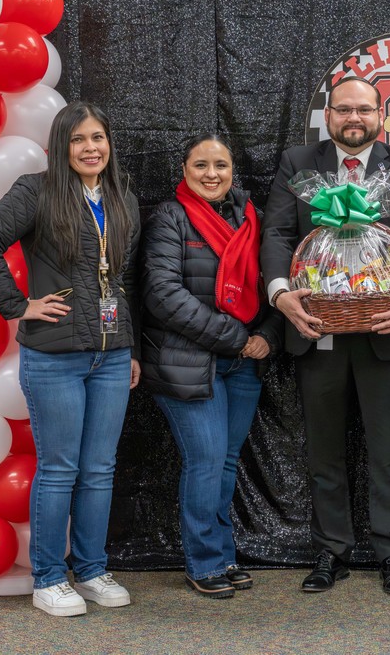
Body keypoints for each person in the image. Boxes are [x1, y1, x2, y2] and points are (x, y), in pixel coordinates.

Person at [260, 76, 390, 595]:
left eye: (364, 109)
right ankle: (330, 552)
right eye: (344, 110)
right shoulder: (299, 164)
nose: (354, 118)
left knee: (388, 451)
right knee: (323, 451)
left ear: (381, 116)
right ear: (328, 114)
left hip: (389, 329)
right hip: (317, 327)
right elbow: (277, 233)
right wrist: (280, 293)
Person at [0, 102, 141, 617]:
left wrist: (129, 345)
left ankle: (90, 570)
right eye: (79, 139)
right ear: (62, 146)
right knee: (60, 469)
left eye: (98, 138)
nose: (91, 148)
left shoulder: (122, 196)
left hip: (111, 355)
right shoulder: (35, 191)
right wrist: (19, 307)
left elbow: (124, 279)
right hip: (55, 357)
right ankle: (47, 577)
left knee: (100, 469)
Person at [140, 134, 282, 599]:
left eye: (220, 165)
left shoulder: (250, 216)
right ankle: (202, 563)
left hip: (242, 364)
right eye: (201, 165)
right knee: (204, 462)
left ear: (232, 170)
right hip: (187, 363)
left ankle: (222, 555)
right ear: (184, 170)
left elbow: (270, 281)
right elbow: (163, 295)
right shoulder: (170, 217)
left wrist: (266, 336)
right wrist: (238, 339)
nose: (211, 174)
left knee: (223, 463)